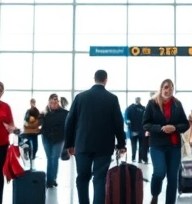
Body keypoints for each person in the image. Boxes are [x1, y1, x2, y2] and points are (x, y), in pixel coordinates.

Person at [65, 70, 127, 204]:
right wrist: (121, 144)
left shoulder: (80, 97)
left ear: (94, 79)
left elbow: (70, 121)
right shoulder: (112, 98)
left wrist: (69, 144)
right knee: (99, 179)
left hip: (82, 144)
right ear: (106, 80)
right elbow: (118, 123)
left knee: (82, 177)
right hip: (104, 147)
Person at [143, 79, 190, 204]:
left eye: (171, 88)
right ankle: (155, 194)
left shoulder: (177, 104)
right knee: (159, 171)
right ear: (161, 88)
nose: (168, 90)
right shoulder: (152, 103)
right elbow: (146, 124)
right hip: (157, 144)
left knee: (172, 177)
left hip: (174, 145)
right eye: (166, 87)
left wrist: (175, 127)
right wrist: (160, 128)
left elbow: (185, 124)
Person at [40, 94, 69, 188]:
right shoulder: (44, 113)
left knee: (54, 157)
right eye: (52, 102)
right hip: (46, 137)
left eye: (56, 102)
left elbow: (69, 125)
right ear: (49, 102)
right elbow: (39, 124)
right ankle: (50, 179)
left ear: (59, 103)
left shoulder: (65, 113)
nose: (54, 104)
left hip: (59, 139)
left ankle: (51, 180)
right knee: (49, 158)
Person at [125, 97, 146, 163]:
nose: (137, 101)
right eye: (137, 99)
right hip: (133, 130)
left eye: (138, 99)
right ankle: (133, 157)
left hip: (141, 130)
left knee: (141, 146)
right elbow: (126, 117)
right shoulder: (130, 108)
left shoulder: (143, 108)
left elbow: (146, 118)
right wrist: (127, 121)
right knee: (134, 146)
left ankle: (140, 159)